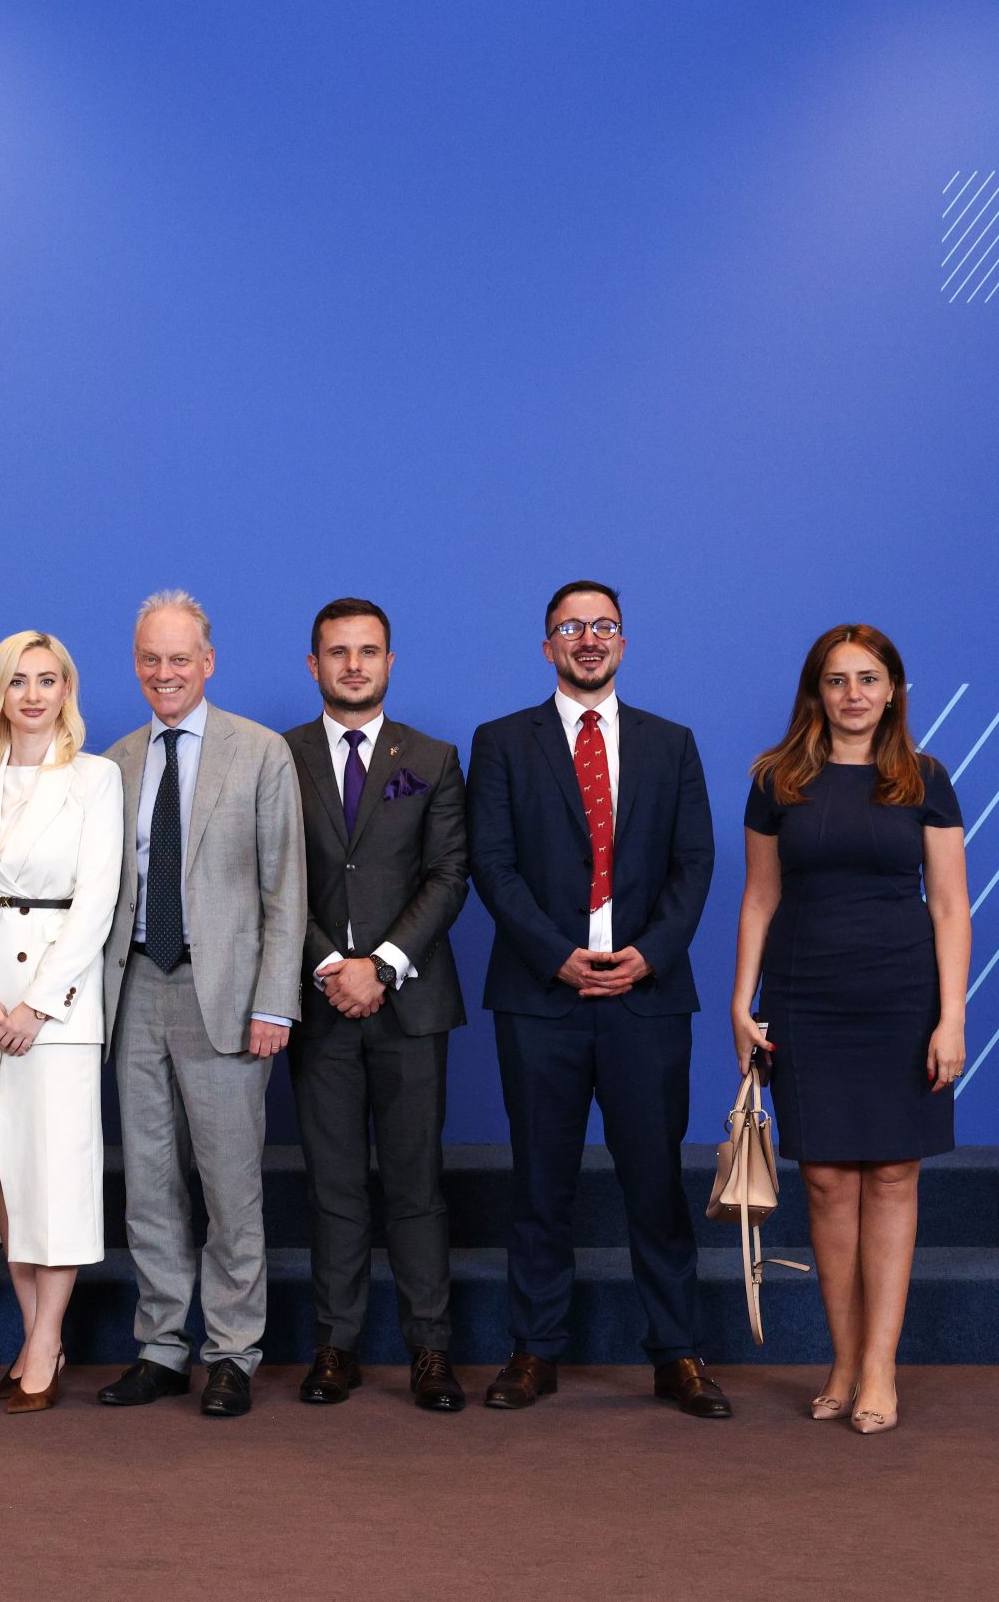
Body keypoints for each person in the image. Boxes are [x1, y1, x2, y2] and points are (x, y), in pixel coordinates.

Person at [467, 580, 728, 1417]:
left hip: (646, 1000)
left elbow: (695, 863)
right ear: (547, 645)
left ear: (623, 641)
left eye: (603, 626)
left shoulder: (671, 743)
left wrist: (650, 956)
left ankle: (678, 1354)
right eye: (571, 627)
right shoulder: (501, 742)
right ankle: (533, 1351)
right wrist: (557, 956)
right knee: (540, 1185)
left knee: (656, 1185)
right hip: (541, 998)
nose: (589, 639)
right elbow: (491, 864)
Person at [732, 624, 968, 1436]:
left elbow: (950, 906)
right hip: (806, 996)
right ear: (817, 693)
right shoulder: (776, 780)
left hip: (903, 998)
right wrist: (741, 1001)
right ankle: (841, 1360)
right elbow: (759, 897)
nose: (854, 694)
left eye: (869, 678)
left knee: (895, 1175)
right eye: (837, 680)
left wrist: (952, 1017)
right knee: (828, 1181)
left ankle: (879, 1367)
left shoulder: (925, 778)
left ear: (893, 690)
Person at [98, 590, 306, 1418]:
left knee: (229, 1189)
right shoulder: (113, 763)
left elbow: (285, 889)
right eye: (151, 659)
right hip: (134, 991)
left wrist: (276, 1003)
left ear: (208, 663)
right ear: (136, 665)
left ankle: (231, 1353)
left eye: (179, 658)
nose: (165, 673)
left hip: (226, 996)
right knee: (148, 1187)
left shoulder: (259, 753)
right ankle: (160, 1348)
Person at [282, 599, 470, 1412]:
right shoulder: (279, 757)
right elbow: (272, 876)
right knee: (333, 1188)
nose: (353, 665)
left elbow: (449, 875)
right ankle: (337, 1346)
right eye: (338, 652)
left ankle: (430, 1348)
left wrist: (382, 967)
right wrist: (331, 964)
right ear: (314, 665)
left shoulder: (432, 758)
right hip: (320, 1001)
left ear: (390, 662)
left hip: (411, 1007)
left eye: (368, 651)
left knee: (415, 1185)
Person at [0, 632, 121, 1413]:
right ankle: (32, 1333)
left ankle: (47, 1339)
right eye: (18, 681)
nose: (34, 695)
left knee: (58, 1181)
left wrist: (38, 1004)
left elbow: (97, 902)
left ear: (67, 690)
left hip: (59, 1014)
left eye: (48, 680)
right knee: (8, 1184)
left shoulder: (95, 778)